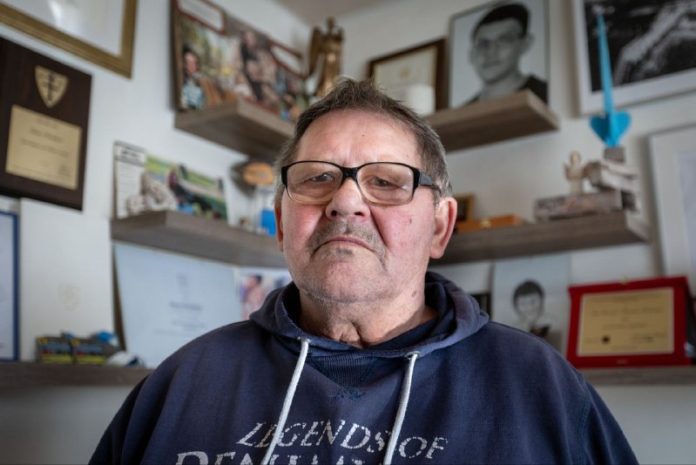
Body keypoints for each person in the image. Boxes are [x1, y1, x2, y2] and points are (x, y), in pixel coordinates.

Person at [90, 79, 636, 465]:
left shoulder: (542, 386)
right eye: (316, 178)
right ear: (281, 222)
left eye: (386, 182)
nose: (345, 201)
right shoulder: (181, 383)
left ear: (440, 227)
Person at [466, 2, 548, 104]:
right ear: (471, 54)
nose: (491, 52)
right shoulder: (463, 111)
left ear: (525, 44)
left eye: (504, 40)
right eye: (483, 44)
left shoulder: (547, 95)